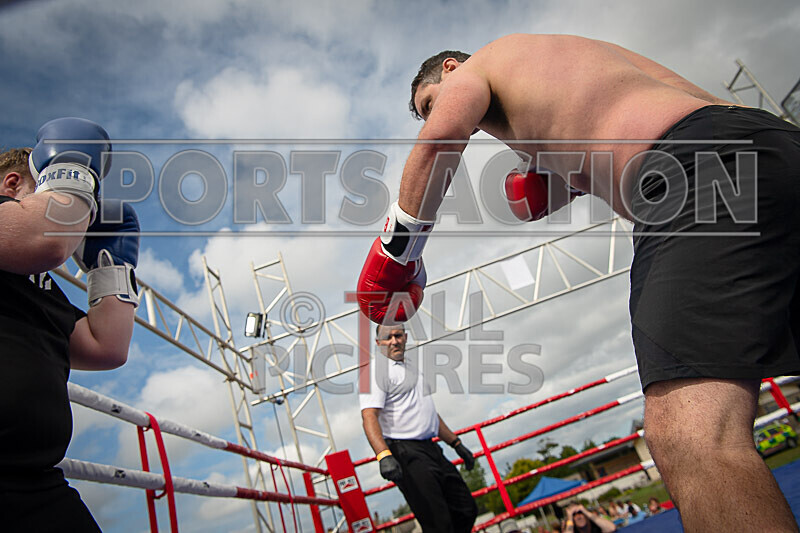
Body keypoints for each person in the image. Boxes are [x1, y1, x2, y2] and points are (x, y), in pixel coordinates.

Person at [356, 34, 800, 532]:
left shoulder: (479, 70)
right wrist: (536, 174)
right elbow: (580, 162)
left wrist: (399, 250)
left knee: (690, 434)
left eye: (429, 103)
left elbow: (440, 140)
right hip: (771, 147)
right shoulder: (560, 67)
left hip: (693, 175)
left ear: (452, 69)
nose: (432, 114)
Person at [0, 118, 140, 531]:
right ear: (11, 186)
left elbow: (107, 346)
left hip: (36, 484)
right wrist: (75, 167)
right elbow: (45, 240)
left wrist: (112, 264)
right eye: (48, 190)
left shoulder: (37, 287)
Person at [359, 323, 478, 532]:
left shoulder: (412, 368)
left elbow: (429, 412)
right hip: (406, 453)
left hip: (431, 449)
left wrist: (456, 444)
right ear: (378, 343)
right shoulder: (376, 371)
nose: (394, 341)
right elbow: (369, 416)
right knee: (437, 522)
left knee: (466, 509)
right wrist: (383, 456)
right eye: (388, 337)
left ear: (405, 337)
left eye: (398, 335)